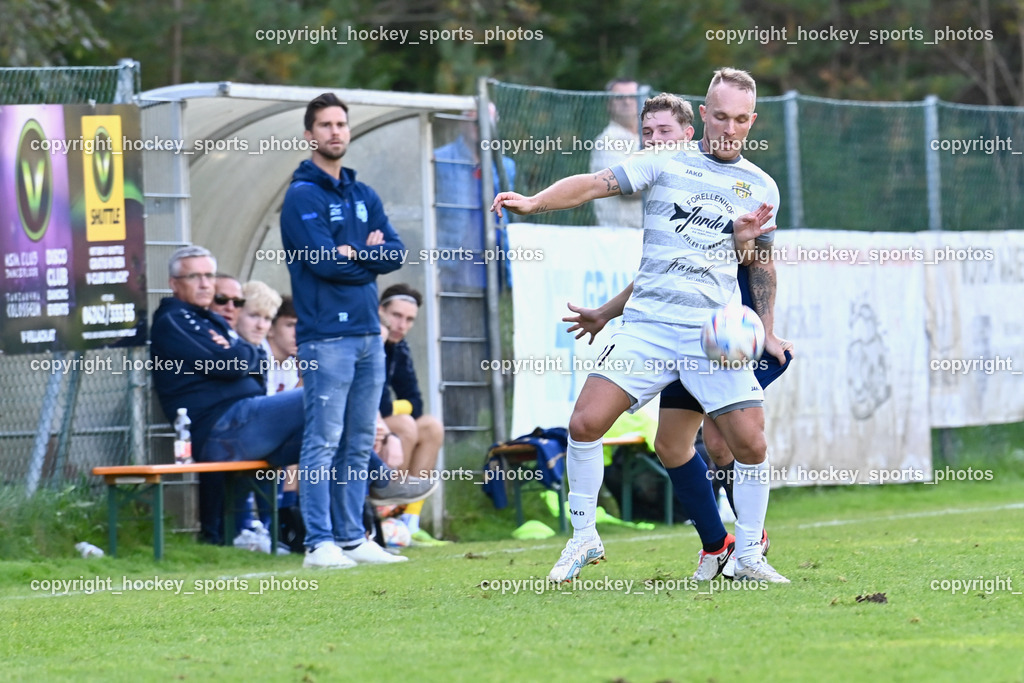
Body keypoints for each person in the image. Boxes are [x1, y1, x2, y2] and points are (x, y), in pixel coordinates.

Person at [492, 68, 789, 583]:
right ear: (703, 114)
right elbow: (592, 185)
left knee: (748, 445)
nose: (729, 127)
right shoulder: (664, 160)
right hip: (648, 326)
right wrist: (537, 201)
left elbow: (756, 263)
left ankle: (747, 556)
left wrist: (762, 319)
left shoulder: (760, 186)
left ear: (752, 121)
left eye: (740, 119)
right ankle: (584, 536)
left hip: (709, 337)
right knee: (585, 424)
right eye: (719, 115)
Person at [281, 92, 410, 568]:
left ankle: (353, 538)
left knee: (359, 442)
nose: (335, 131)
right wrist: (361, 254)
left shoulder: (364, 195)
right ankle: (319, 543)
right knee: (323, 440)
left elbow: (395, 253)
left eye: (341, 124)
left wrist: (352, 253)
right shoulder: (300, 197)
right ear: (309, 135)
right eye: (325, 125)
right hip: (325, 338)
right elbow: (322, 263)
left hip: (367, 335)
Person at [377, 283, 447, 546]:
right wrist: (399, 409)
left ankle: (410, 523)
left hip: (381, 419)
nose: (401, 325)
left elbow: (416, 401)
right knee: (406, 425)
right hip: (357, 423)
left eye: (409, 320)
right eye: (396, 315)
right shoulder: (371, 338)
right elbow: (380, 403)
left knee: (431, 426)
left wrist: (398, 408)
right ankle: (386, 512)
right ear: (380, 311)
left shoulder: (399, 346)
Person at [434, 104, 516, 291]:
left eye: (487, 122)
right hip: (454, 262)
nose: (480, 127)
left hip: (493, 261)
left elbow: (508, 215)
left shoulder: (505, 167)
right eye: (475, 121)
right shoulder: (438, 160)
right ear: (462, 123)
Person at [589, 79, 643, 229]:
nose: (626, 102)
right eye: (619, 97)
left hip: (647, 235)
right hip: (619, 237)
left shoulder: (649, 137)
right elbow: (625, 187)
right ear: (609, 104)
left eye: (632, 97)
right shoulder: (606, 141)